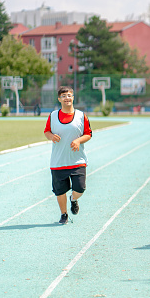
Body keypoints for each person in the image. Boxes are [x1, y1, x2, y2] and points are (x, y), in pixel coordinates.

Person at [44, 86, 92, 224]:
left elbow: (88, 134)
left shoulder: (81, 116)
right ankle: (64, 214)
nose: (67, 98)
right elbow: (46, 131)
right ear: (59, 99)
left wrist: (78, 140)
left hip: (77, 160)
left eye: (69, 95)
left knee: (80, 188)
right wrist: (51, 136)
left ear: (73, 97)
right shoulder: (53, 116)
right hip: (58, 161)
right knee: (59, 191)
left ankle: (74, 199)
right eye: (64, 95)